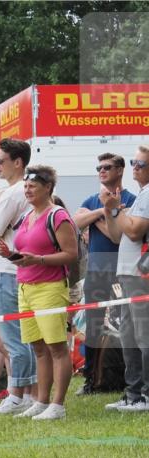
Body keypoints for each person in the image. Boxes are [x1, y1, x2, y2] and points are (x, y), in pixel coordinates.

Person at [0, 165, 78, 420]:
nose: (27, 190)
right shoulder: (27, 217)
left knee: (57, 348)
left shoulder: (58, 215)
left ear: (48, 188)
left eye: (32, 186)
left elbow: (71, 255)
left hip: (49, 288)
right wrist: (11, 256)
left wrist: (38, 260)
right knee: (39, 348)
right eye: (26, 186)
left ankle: (58, 405)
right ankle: (41, 402)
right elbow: (27, 253)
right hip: (25, 287)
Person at [0, 137, 38, 416]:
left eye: (0, 160)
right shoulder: (25, 190)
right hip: (18, 269)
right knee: (22, 337)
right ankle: (26, 393)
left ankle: (16, 394)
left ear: (18, 162)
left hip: (6, 271)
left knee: (11, 339)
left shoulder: (12, 193)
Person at [74, 152, 138, 395]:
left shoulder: (132, 198)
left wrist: (95, 218)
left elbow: (117, 236)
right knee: (93, 325)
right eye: (99, 167)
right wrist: (104, 212)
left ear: (120, 170)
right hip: (96, 269)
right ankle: (91, 378)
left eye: (107, 167)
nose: (102, 171)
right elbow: (75, 221)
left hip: (124, 270)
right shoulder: (93, 199)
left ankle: (128, 378)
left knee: (127, 325)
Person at [101, 145, 149, 412]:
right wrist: (110, 211)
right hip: (129, 271)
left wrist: (117, 209)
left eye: (140, 164)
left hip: (140, 273)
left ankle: (145, 394)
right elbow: (117, 235)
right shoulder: (141, 194)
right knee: (129, 336)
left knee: (144, 337)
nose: (135, 167)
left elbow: (135, 231)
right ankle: (133, 394)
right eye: (134, 162)